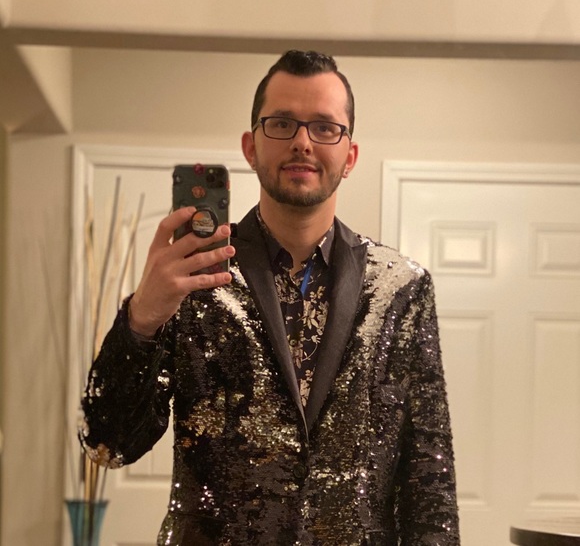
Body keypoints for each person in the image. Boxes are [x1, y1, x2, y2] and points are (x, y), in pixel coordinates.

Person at [81, 50, 460, 545]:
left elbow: (429, 481)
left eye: (324, 127)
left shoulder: (401, 288)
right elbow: (107, 446)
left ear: (349, 156)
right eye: (282, 123)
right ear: (251, 147)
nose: (302, 142)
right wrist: (141, 320)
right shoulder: (191, 278)